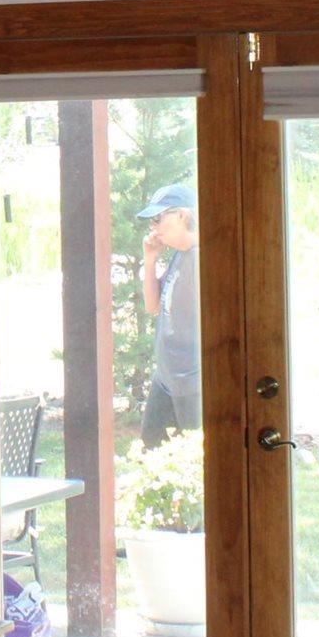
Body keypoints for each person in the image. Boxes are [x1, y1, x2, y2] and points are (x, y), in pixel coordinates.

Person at [137, 182, 201, 446]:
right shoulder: (180, 254)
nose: (154, 227)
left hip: (192, 381)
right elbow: (153, 306)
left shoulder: (201, 259)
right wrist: (150, 259)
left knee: (197, 458)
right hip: (166, 377)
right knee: (150, 447)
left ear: (183, 216)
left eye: (158, 218)